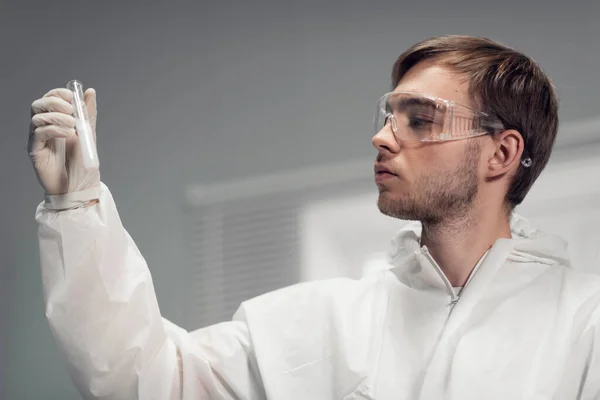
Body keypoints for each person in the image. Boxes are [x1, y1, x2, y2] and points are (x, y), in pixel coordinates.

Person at [28, 35, 600, 400]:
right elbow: (144, 379)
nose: (382, 137)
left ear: (501, 154)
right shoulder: (321, 322)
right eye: (387, 115)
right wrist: (77, 205)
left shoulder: (585, 326)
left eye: (420, 120)